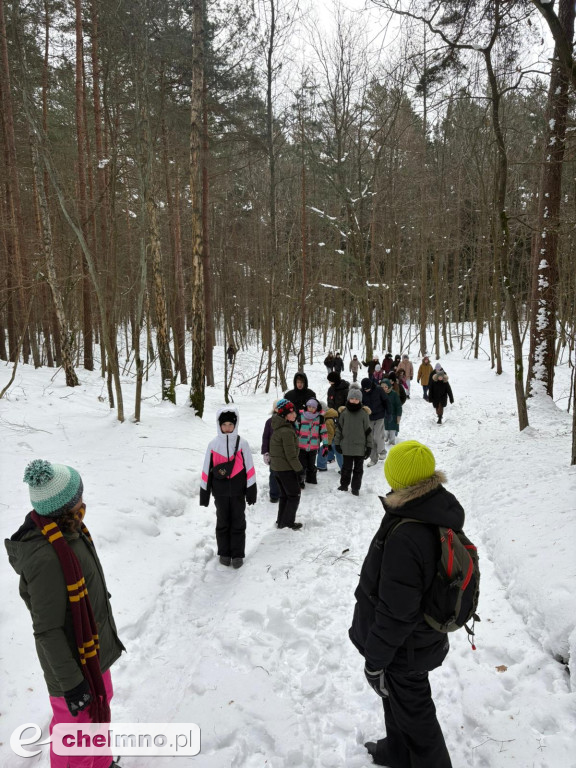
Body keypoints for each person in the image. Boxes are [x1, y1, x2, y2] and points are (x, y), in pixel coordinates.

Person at [6, 459, 125, 768]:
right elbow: (47, 630)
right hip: (71, 667)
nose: (84, 500)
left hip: (93, 650)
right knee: (75, 736)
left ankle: (102, 763)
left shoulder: (72, 532)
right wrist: (72, 684)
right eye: (79, 496)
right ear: (66, 506)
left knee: (99, 713)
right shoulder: (46, 556)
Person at [349, 441, 460, 768]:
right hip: (417, 640)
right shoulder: (430, 507)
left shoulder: (408, 535)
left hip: (405, 648)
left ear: (401, 481)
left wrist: (375, 659)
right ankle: (397, 752)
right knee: (395, 699)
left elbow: (397, 613)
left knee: (418, 716)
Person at [200, 406, 257, 568]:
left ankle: (237, 554)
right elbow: (206, 469)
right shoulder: (213, 445)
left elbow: (250, 468)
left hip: (239, 492)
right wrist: (204, 492)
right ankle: (224, 552)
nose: (227, 428)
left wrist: (251, 489)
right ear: (219, 425)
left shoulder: (242, 444)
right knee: (223, 522)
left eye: (230, 425)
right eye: (224, 424)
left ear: (235, 424)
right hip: (220, 493)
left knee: (238, 522)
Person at [269, 399, 303, 530]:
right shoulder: (286, 432)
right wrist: (299, 470)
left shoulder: (280, 428)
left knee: (285, 495)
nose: (294, 414)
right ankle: (288, 523)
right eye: (291, 413)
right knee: (294, 495)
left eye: (294, 411)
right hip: (285, 469)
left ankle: (281, 521)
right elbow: (291, 455)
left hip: (278, 469)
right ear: (284, 415)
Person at [333, 383, 372, 496]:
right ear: (348, 399)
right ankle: (344, 485)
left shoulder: (364, 414)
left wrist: (369, 446)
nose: (354, 401)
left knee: (358, 470)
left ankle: (355, 488)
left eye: (356, 399)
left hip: (360, 447)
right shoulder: (344, 413)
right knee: (346, 468)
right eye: (352, 398)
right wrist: (337, 443)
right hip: (347, 446)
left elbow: (368, 431)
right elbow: (339, 429)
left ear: (360, 400)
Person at [296, 398, 328, 487]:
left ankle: (311, 479)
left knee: (311, 464)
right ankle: (300, 481)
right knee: (302, 464)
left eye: (313, 407)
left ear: (316, 408)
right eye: (309, 406)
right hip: (301, 445)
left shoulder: (320, 418)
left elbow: (324, 432)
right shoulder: (301, 417)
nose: (311, 408)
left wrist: (325, 445)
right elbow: (296, 430)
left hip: (314, 446)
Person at [361, 377, 390, 466]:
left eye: (368, 389)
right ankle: (373, 459)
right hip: (369, 418)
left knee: (378, 435)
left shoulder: (378, 390)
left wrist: (389, 413)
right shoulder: (361, 392)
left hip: (379, 416)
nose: (366, 391)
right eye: (365, 389)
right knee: (370, 438)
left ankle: (382, 451)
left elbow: (386, 401)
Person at [261, 400, 281, 503]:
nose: (280, 409)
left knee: (285, 475)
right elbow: (265, 437)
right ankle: (274, 495)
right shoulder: (270, 422)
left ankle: (284, 492)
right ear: (274, 409)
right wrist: (265, 452)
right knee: (274, 475)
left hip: (285, 454)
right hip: (273, 454)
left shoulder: (289, 420)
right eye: (278, 407)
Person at [316, 403, 344, 472]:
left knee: (324, 449)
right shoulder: (332, 414)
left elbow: (330, 433)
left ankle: (321, 466)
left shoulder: (327, 420)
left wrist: (327, 444)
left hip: (334, 438)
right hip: (338, 437)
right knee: (335, 450)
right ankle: (330, 459)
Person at [381, 378, 402, 445]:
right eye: (382, 387)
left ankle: (392, 441)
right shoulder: (380, 394)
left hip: (393, 415)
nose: (384, 388)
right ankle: (385, 438)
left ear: (389, 386)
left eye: (386, 387)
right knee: (385, 428)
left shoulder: (394, 394)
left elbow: (398, 405)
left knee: (392, 429)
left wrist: (398, 415)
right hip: (383, 415)